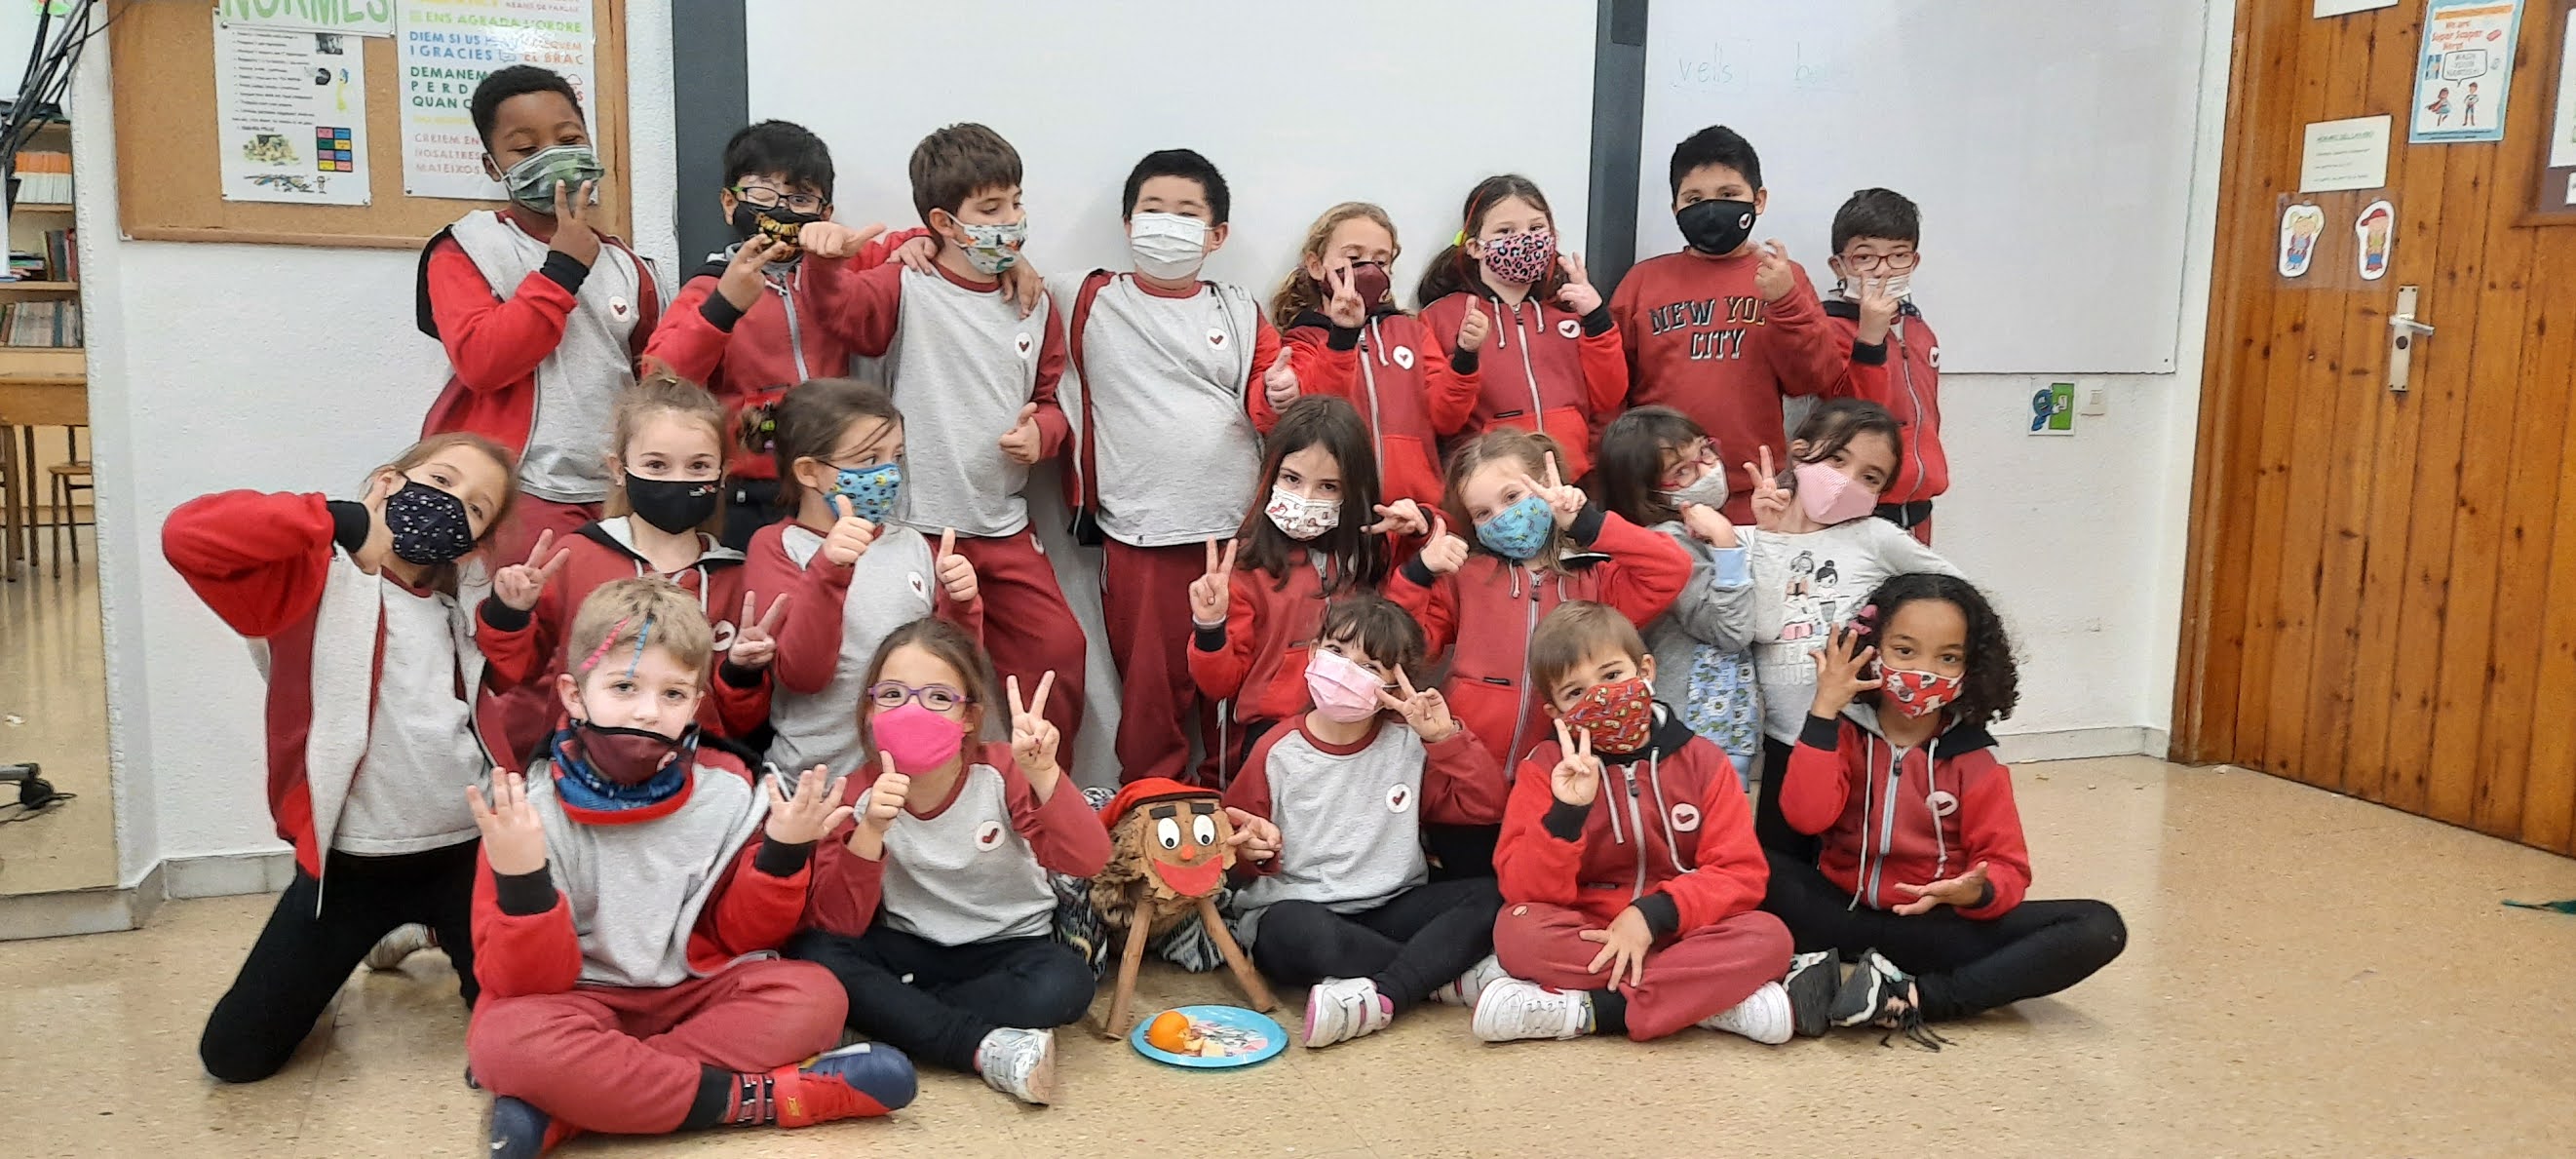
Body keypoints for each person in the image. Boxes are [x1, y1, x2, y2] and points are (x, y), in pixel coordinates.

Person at [464, 579, 916, 1155]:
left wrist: (783, 854)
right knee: (501, 1041)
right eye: (624, 686)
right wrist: (524, 883)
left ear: (697, 702)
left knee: (818, 997)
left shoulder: (730, 791)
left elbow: (740, 939)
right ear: (574, 696)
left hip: (692, 996)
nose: (648, 711)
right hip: (577, 1000)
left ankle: (571, 1111)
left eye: (673, 694)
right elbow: (525, 983)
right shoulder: (526, 809)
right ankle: (763, 1098)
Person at [164, 433, 519, 1083]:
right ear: (388, 480)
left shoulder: (458, 611)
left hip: (466, 855)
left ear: (474, 543)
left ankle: (428, 932)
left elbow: (506, 692)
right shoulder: (312, 582)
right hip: (352, 866)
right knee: (235, 1056)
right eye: (441, 481)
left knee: (517, 1027)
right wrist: (335, 518)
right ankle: (386, 934)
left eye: (474, 507)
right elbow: (189, 536)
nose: (451, 504)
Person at [806, 123, 1087, 776]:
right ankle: (931, 796)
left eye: (1015, 202)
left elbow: (1053, 398)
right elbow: (842, 313)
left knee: (1059, 651)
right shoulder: (905, 283)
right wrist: (823, 261)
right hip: (917, 526)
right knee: (929, 677)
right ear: (943, 222)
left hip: (1003, 524)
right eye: (990, 209)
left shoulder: (1033, 299)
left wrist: (1042, 434)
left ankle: (1042, 794)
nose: (1010, 220)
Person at [641, 120, 1043, 550]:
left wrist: (1009, 261)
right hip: (751, 491)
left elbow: (946, 239)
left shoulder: (842, 265)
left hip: (842, 482)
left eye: (800, 198)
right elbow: (661, 380)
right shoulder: (709, 287)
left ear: (825, 213)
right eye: (762, 193)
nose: (781, 209)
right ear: (729, 202)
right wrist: (725, 306)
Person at [1768, 574, 2127, 1048]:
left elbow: (2008, 868)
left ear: (1971, 668)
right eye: (1905, 651)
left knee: (2099, 927)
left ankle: (1912, 998)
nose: (1924, 671)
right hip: (1836, 913)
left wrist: (1977, 893)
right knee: (1747, 864)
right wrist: (1823, 712)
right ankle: (1809, 972)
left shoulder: (1975, 760)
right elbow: (1805, 818)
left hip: (1931, 927)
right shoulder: (1842, 733)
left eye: (1948, 658)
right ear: (1872, 651)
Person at [1473, 602, 1831, 1046]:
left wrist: (1653, 914)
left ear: (1645, 671)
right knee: (1517, 931)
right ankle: (1709, 1003)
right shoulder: (1544, 768)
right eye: (1575, 692)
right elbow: (1524, 890)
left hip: (1684, 932)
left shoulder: (1703, 761)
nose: (1601, 697)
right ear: (1556, 712)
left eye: (1612, 675)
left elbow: (1740, 873)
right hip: (1593, 933)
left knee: (1770, 937)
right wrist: (1567, 815)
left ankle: (1592, 1011)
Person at [791, 619, 1112, 1105]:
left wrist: (1045, 773)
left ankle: (901, 1020)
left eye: (938, 697)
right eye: (893, 694)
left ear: (968, 716)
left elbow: (1088, 859)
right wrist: (871, 831)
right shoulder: (856, 793)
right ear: (870, 709)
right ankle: (978, 1045)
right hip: (908, 948)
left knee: (1065, 985)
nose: (913, 710)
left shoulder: (1001, 771)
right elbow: (839, 925)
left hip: (1008, 947)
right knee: (813, 952)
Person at [1059, 149, 1277, 785]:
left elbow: (1268, 401)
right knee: (1151, 698)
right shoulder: (1084, 296)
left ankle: (1232, 810)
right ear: (1128, 225)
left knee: (1232, 688)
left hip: (1235, 534)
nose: (1167, 224)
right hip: (1140, 535)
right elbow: (991, 272)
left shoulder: (1239, 308)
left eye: (1186, 213)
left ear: (1217, 235)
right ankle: (1149, 810)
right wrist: (910, 243)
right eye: (1153, 210)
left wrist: (1280, 393)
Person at [1388, 428, 1690, 877]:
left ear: (1547, 485)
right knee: (1472, 890)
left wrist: (1586, 523)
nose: (1502, 517)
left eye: (1512, 497)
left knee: (1541, 885)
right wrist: (1417, 574)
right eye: (1483, 512)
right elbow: (1406, 650)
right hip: (1464, 789)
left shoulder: (1595, 578)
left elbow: (1671, 568)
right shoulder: (1464, 576)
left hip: (1560, 783)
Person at [1222, 595, 1509, 1048]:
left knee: (1491, 894)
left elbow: (1486, 807)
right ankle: (1440, 977)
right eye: (1336, 651)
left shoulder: (1408, 746)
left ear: (1395, 687)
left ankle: (1388, 991)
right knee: (1295, 932)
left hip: (1391, 905)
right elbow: (1232, 850)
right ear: (1313, 653)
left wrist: (1446, 739)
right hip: (1304, 908)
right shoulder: (1276, 750)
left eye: (1370, 666)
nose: (1346, 671)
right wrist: (1252, 850)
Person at [475, 374, 781, 768]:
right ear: (619, 469)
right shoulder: (575, 556)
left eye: (698, 466)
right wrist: (509, 611)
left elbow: (739, 719)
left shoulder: (737, 577)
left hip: (695, 777)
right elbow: (512, 674)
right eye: (656, 464)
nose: (677, 479)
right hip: (581, 768)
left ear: (723, 474)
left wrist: (743, 673)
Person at [417, 64, 657, 560]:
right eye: (526, 149)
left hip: (615, 493)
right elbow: (482, 361)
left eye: (569, 139)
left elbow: (652, 379)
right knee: (527, 606)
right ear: (492, 167)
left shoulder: (628, 265)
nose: (552, 156)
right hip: (519, 490)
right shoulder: (466, 249)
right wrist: (563, 269)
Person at [1736, 399, 1957, 857]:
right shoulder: (1746, 539)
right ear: (1800, 452)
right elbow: (1760, 627)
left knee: (1855, 860)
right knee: (1781, 867)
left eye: (1870, 478)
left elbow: (1960, 595)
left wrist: (1890, 633)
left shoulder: (1875, 537)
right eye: (1838, 460)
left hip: (1860, 737)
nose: (1848, 482)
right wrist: (1770, 537)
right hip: (1783, 739)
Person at [1608, 125, 1856, 522]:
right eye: (1694, 198)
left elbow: (1814, 379)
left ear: (1758, 200)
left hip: (1756, 495)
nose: (1711, 208)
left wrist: (1786, 301)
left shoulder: (1782, 276)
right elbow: (1610, 393)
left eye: (1728, 194)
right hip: (1663, 497)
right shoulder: (1642, 282)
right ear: (1675, 208)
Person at [745, 377, 982, 784]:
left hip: (907, 781)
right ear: (809, 471)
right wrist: (829, 570)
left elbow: (957, 668)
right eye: (870, 458)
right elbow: (803, 675)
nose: (889, 474)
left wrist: (962, 604)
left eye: (896, 457)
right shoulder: (778, 547)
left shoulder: (913, 545)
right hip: (816, 783)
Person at [1189, 396, 1427, 781]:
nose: (1305, 498)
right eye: (1292, 479)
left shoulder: (1373, 549)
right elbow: (1218, 684)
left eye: (1328, 486)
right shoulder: (1245, 567)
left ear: (1353, 490)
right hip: (1274, 730)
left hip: (1360, 728)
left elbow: (1412, 620)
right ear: (1271, 475)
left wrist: (1421, 527)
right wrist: (1209, 626)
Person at [1263, 201, 1478, 512]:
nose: (1369, 269)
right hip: (1338, 511)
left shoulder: (1412, 332)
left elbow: (1447, 418)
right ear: (1316, 265)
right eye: (1354, 258)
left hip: (1415, 508)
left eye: (1381, 261)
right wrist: (1342, 336)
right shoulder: (1303, 339)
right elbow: (1317, 416)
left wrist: (1465, 357)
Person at [1415, 174, 1625, 481]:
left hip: (1571, 482)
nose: (1525, 240)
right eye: (1505, 231)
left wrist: (1596, 319)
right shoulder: (1440, 318)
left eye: (1536, 228)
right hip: (1494, 488)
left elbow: (1609, 397)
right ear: (1475, 247)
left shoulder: (1569, 311)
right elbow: (1443, 420)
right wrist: (1465, 356)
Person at [1595, 406, 1760, 783]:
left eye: (1705, 451)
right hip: (1693, 730)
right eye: (1682, 471)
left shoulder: (1696, 532)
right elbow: (1731, 631)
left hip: (1725, 728)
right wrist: (1725, 542)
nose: (1707, 469)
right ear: (1647, 494)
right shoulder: (1667, 542)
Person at [1822, 188, 1945, 544]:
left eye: (1898, 255)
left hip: (1918, 505)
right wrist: (1870, 338)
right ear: (1839, 266)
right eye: (1865, 257)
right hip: (1856, 510)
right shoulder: (1828, 329)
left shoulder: (1917, 328)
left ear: (1914, 261)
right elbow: (1857, 416)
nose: (1883, 269)